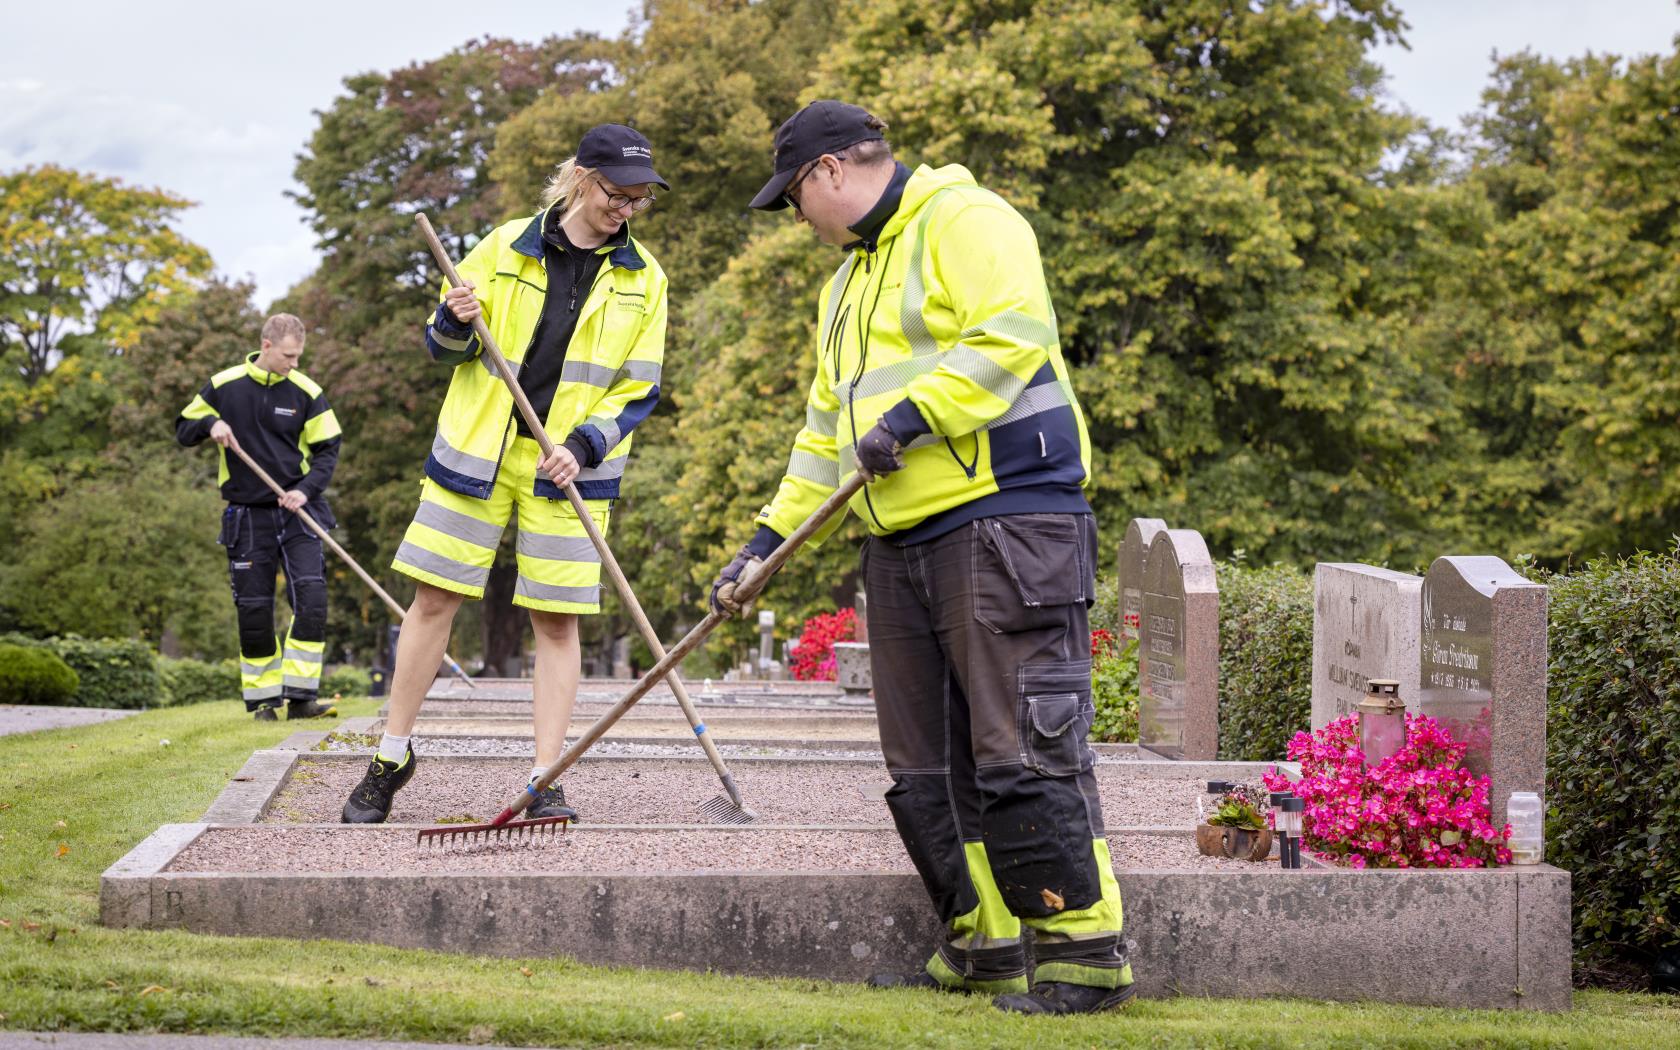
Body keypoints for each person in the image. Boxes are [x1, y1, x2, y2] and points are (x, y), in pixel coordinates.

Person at [712, 101, 1132, 1015]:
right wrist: (762, 543)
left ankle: (1084, 948)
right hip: (900, 539)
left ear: (828, 173)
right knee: (928, 765)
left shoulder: (969, 220)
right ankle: (984, 944)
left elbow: (1012, 335)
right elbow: (824, 439)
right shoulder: (845, 289)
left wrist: (910, 418)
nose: (797, 218)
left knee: (1020, 744)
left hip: (1004, 519)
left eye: (792, 198)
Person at [340, 124, 670, 825]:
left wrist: (583, 446)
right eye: (617, 193)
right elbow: (443, 348)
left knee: (555, 622)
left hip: (568, 470)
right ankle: (390, 757)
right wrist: (453, 319)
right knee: (433, 603)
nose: (627, 209)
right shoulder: (502, 246)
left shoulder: (647, 282)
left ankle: (543, 778)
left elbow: (640, 389)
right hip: (476, 453)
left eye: (639, 199)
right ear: (582, 178)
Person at [176, 314, 342, 722]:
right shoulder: (223, 386)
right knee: (253, 607)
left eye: (299, 356)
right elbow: (183, 427)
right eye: (288, 355)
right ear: (266, 346)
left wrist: (305, 490)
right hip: (247, 514)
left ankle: (302, 699)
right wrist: (210, 423)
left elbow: (328, 450)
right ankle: (265, 702)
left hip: (299, 510)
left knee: (312, 599)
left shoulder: (307, 392)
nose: (294, 364)